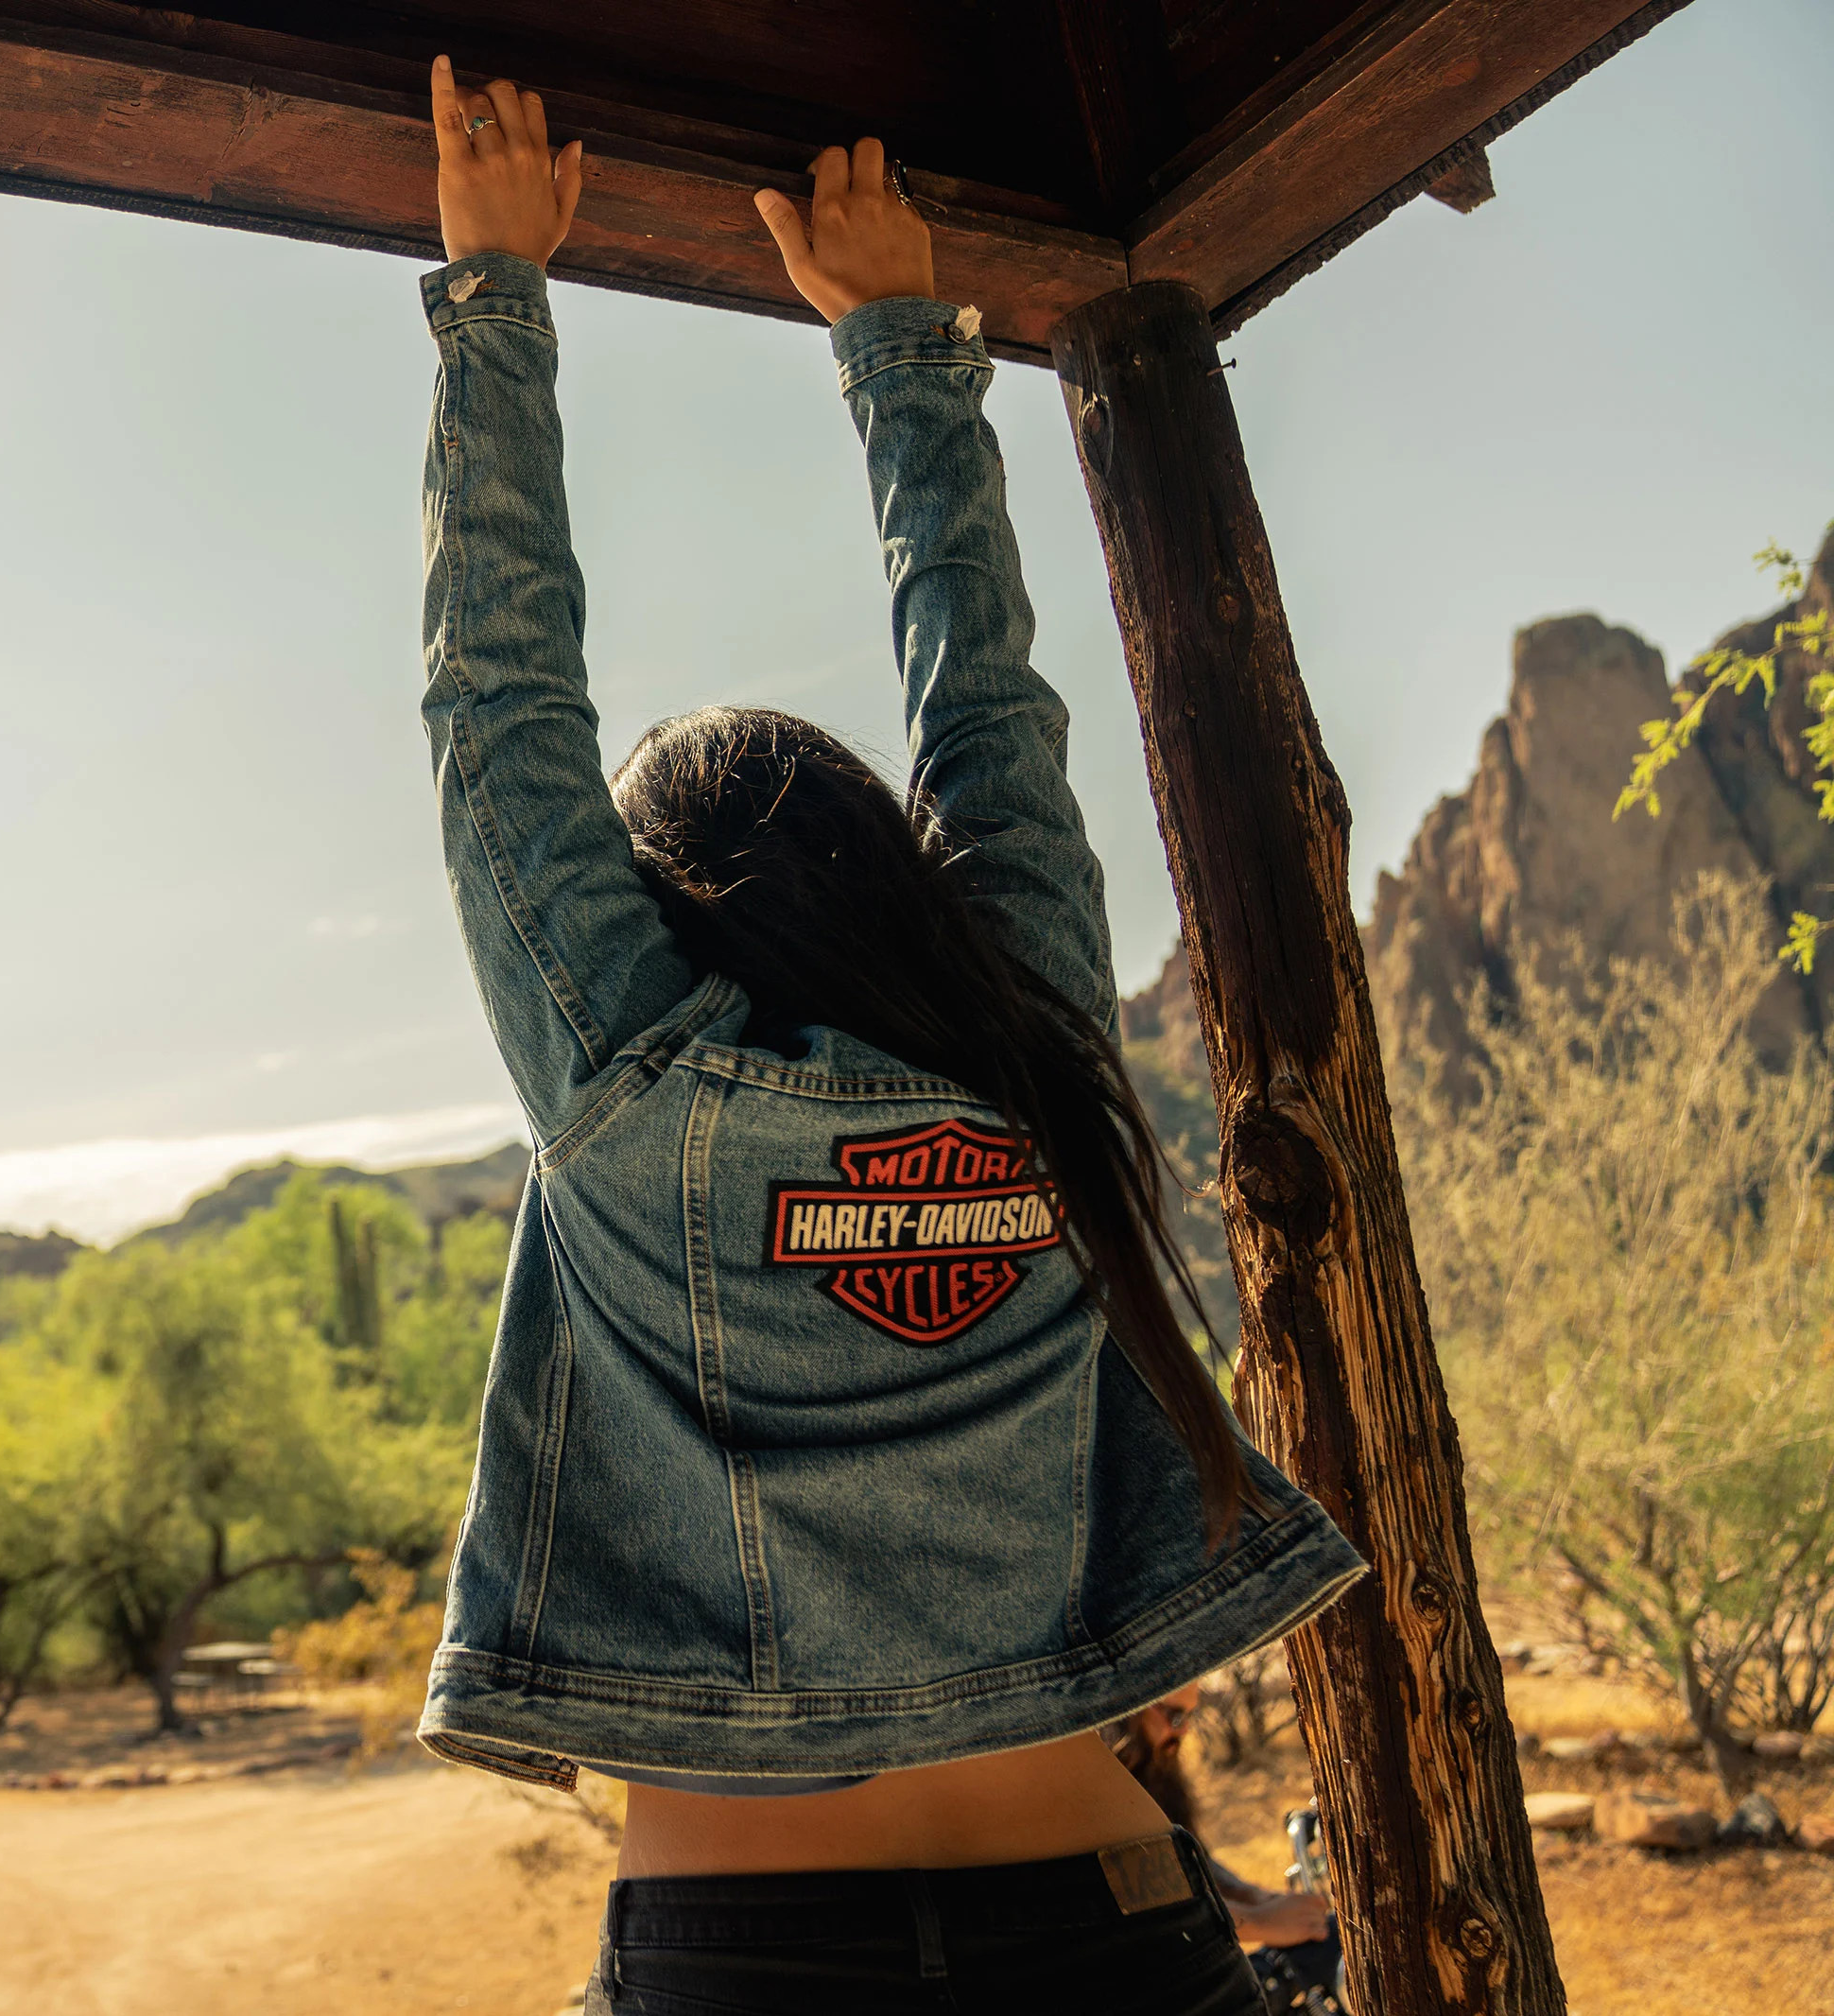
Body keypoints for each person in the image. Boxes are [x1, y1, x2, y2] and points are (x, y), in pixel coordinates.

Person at [409, 53, 1367, 2013]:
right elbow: (969, 714)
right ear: (887, 881)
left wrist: (872, 348)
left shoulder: (628, 1084)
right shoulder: (1023, 1052)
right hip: (1111, 1927)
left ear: (658, 903)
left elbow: (505, 710)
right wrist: (872, 338)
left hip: (749, 1955)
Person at [1108, 1686, 1335, 1952]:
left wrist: (1258, 1897)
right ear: (1129, 1708)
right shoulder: (1102, 1788)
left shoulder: (1151, 1770)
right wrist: (1261, 1921)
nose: (1184, 1730)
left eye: (1189, 1716)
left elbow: (1192, 1862)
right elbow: (1156, 1904)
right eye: (1174, 1717)